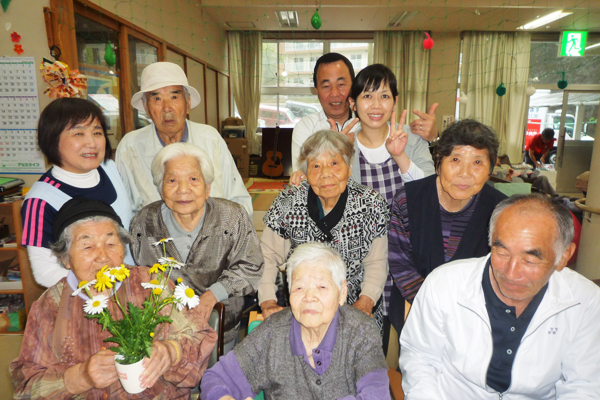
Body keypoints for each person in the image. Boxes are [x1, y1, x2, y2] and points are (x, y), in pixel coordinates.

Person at [11, 198, 216, 398]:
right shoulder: (49, 305)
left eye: (111, 243)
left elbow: (201, 337)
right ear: (65, 258)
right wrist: (80, 377)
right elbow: (26, 387)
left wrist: (171, 351)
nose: (103, 256)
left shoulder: (152, 283)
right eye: (88, 247)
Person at [400, 194, 600, 399]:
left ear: (563, 256)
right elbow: (420, 359)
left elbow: (584, 385)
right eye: (502, 253)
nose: (511, 273)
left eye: (530, 260)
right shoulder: (444, 284)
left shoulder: (586, 302)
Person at [201, 243, 390, 400]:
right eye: (299, 287)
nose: (309, 297)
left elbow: (377, 395)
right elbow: (216, 378)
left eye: (322, 286)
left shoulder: (361, 330)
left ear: (342, 293)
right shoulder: (273, 332)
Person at [129, 142, 263, 352]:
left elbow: (251, 266)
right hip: (164, 333)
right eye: (172, 180)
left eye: (193, 179)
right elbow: (140, 275)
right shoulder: (143, 222)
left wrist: (213, 295)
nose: (183, 189)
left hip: (223, 328)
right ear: (161, 188)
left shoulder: (233, 216)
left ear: (208, 187)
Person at [258, 130, 389, 332]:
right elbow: (267, 255)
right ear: (305, 171)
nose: (326, 173)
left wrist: (367, 300)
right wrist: (267, 300)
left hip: (356, 308)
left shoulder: (371, 204)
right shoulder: (288, 201)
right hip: (302, 309)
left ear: (350, 167)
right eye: (316, 165)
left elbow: (377, 261)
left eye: (335, 163)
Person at [388, 119, 506, 334]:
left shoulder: (501, 210)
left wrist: (462, 315)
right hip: (415, 312)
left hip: (475, 318)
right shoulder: (408, 199)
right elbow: (401, 264)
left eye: (478, 162)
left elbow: (500, 272)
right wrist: (437, 310)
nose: (465, 173)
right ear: (438, 162)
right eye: (455, 160)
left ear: (490, 169)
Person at [21, 98, 133, 287]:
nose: (91, 143)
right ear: (52, 139)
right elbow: (45, 272)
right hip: (84, 300)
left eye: (97, 132)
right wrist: (100, 289)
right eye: (78, 133)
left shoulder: (110, 169)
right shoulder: (40, 200)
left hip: (130, 286)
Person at [115, 62, 252, 217]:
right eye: (157, 98)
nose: (167, 108)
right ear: (146, 108)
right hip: (155, 239)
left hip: (214, 236)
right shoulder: (130, 147)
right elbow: (123, 210)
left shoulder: (211, 138)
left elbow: (238, 198)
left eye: (174, 96)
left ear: (188, 103)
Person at [290, 53, 438, 172]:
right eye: (326, 86)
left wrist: (433, 137)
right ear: (316, 91)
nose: (335, 93)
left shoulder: (377, 124)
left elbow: (427, 184)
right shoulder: (306, 128)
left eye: (341, 84)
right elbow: (304, 179)